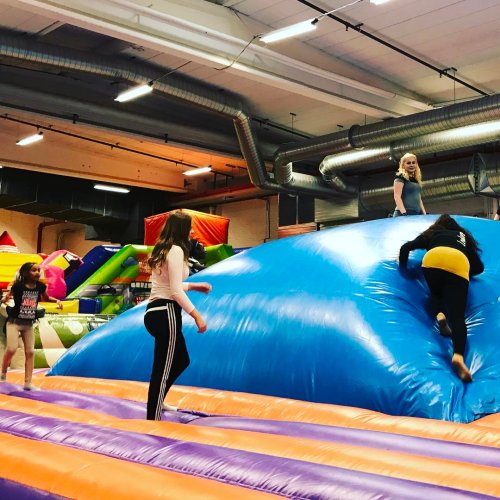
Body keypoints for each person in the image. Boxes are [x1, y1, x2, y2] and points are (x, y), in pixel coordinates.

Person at [399, 215, 483, 383]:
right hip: (458, 261)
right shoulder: (462, 237)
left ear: (438, 224)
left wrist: (402, 266)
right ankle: (458, 356)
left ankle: (439, 314)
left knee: (436, 294)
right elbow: (479, 267)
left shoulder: (433, 232)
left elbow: (406, 247)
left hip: (432, 260)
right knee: (457, 317)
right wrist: (465, 271)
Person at [144, 211, 211, 420]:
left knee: (181, 359)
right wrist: (197, 316)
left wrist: (194, 286)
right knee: (162, 368)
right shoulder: (175, 250)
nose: (192, 232)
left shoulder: (164, 249)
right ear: (182, 230)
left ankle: (159, 400)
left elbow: (169, 284)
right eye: (190, 228)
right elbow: (174, 291)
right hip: (166, 312)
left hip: (156, 311)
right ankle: (153, 416)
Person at [1, 262, 62, 389]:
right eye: (34, 270)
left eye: (38, 270)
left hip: (28, 324)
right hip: (14, 323)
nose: (37, 273)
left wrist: (57, 301)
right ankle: (3, 372)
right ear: (26, 273)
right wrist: (5, 299)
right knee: (11, 349)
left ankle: (28, 383)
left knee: (30, 352)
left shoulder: (40, 286)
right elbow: (8, 295)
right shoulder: (18, 286)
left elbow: (46, 298)